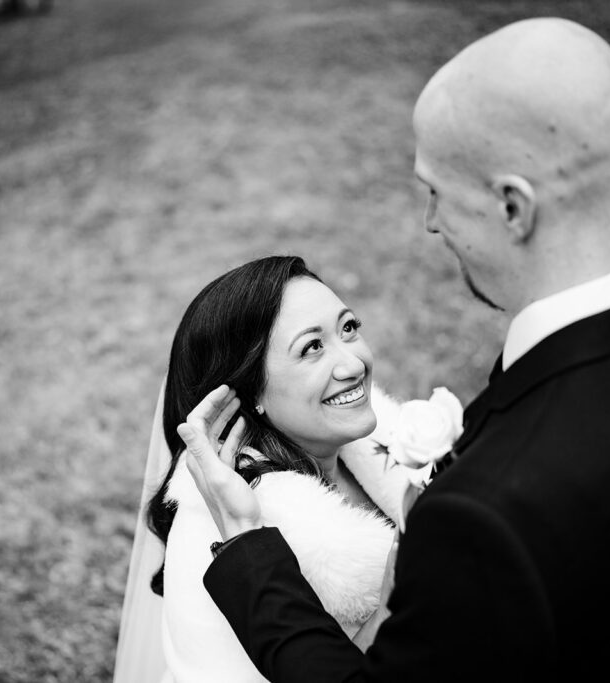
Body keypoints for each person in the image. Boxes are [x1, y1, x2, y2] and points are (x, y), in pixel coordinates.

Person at [176, 17, 610, 682]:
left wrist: (249, 549)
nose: (429, 220)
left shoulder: (482, 519)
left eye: (437, 191)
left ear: (513, 207)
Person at [115, 256, 416, 682]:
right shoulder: (225, 532)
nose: (353, 364)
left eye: (348, 328)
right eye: (312, 347)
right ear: (250, 391)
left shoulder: (386, 452)